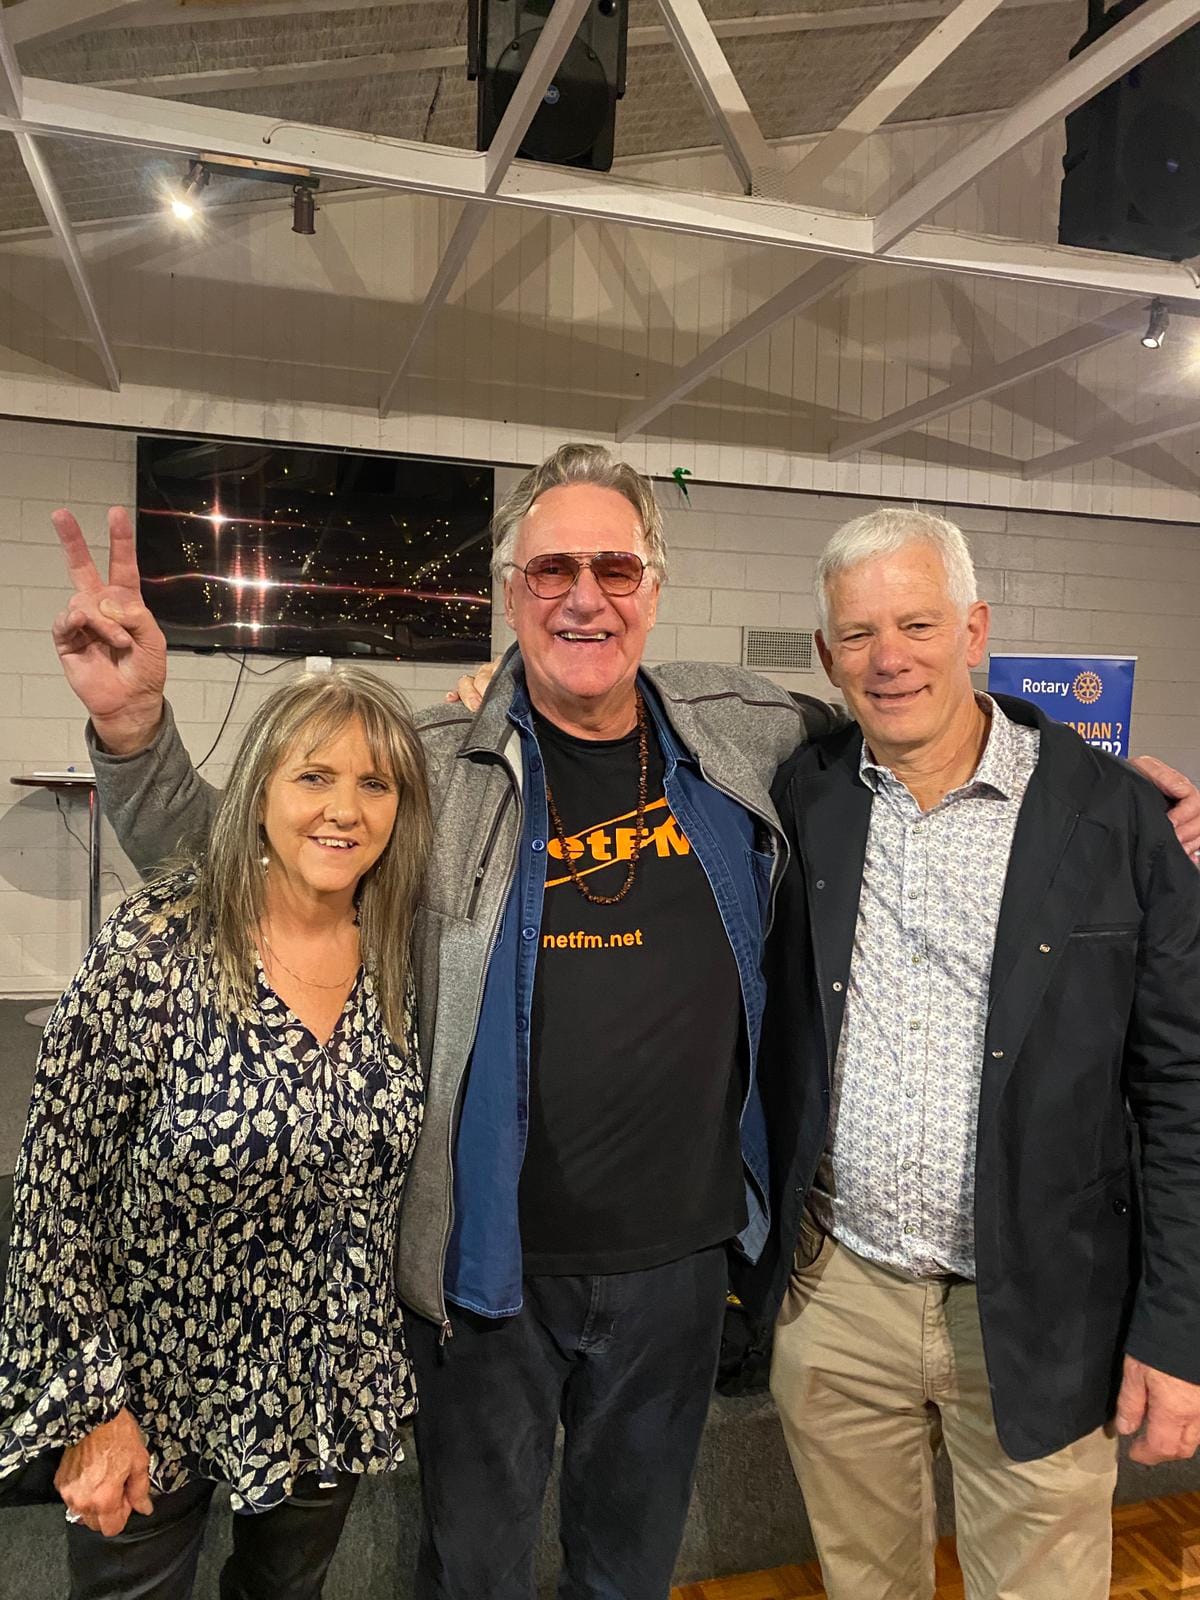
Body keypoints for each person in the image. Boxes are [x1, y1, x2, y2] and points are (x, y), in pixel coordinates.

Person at [41, 468, 1200, 1599]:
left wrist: (1092, 786)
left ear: (653, 585)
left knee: (625, 1568)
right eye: (551, 567)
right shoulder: (439, 771)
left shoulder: (744, 734)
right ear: (511, 593)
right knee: (476, 1568)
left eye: (614, 565)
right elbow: (250, 862)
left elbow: (914, 715)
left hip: (680, 1275)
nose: (582, 593)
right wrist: (137, 727)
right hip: (490, 1276)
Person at [734, 508, 1200, 1600]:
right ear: (825, 657)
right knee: (865, 1586)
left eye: (917, 623)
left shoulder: (1115, 818)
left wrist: (1179, 1328)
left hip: (1041, 1307)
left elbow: (1184, 1088)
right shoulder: (802, 796)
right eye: (857, 634)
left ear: (976, 629)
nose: (888, 658)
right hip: (840, 1293)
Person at [0, 665, 431, 1600]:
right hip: (155, 1384)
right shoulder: (156, 946)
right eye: (314, 776)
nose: (345, 809)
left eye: (375, 782)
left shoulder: (401, 955)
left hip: (327, 1380)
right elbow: (53, 1197)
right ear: (259, 790)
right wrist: (90, 1404)